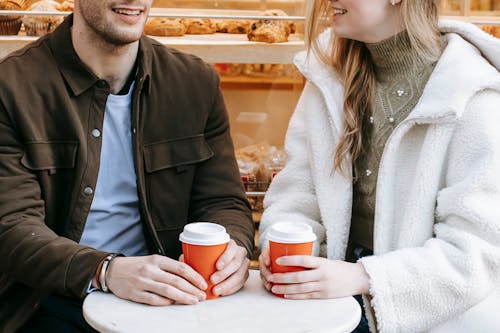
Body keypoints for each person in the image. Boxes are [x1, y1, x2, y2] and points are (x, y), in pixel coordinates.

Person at [0, 1, 255, 332]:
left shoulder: (195, 82)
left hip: (173, 298)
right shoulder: (12, 87)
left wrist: (232, 247)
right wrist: (106, 270)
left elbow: (223, 201)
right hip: (50, 298)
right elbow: (11, 226)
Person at [258, 0, 500, 332]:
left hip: (422, 316)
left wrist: (364, 277)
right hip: (326, 300)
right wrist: (283, 247)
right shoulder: (328, 78)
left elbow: (476, 254)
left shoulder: (471, 95)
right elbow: (297, 193)